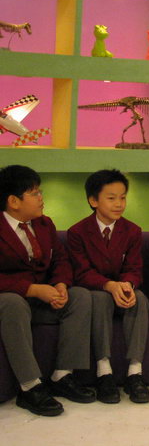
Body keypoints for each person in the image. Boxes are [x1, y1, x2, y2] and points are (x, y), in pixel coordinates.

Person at [0, 165, 94, 416]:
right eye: (35, 193)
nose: (42, 198)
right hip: (11, 302)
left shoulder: (44, 224)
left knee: (81, 296)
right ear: (13, 201)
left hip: (43, 298)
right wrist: (31, 289)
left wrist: (61, 284)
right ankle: (30, 387)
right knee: (12, 302)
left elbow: (61, 260)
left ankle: (62, 375)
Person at [67, 169, 149, 404]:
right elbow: (81, 272)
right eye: (111, 198)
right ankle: (104, 372)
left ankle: (135, 373)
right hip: (97, 292)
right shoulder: (77, 232)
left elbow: (134, 267)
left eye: (123, 197)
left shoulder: (132, 231)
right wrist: (108, 285)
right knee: (100, 298)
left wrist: (127, 285)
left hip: (122, 288)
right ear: (93, 200)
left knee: (140, 298)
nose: (119, 204)